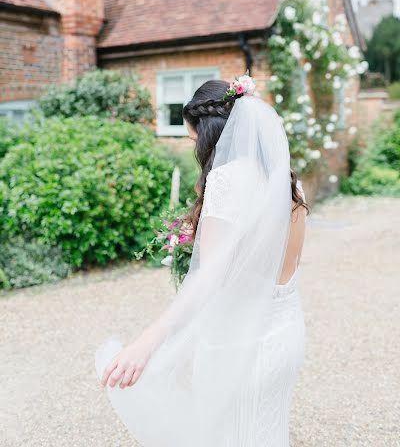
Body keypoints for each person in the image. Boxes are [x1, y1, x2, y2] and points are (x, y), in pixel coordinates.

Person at [95, 74, 308, 447]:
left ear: (209, 137)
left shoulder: (227, 181)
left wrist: (147, 343)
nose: (194, 149)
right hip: (286, 335)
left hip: (240, 341)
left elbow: (208, 279)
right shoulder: (288, 184)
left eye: (193, 140)